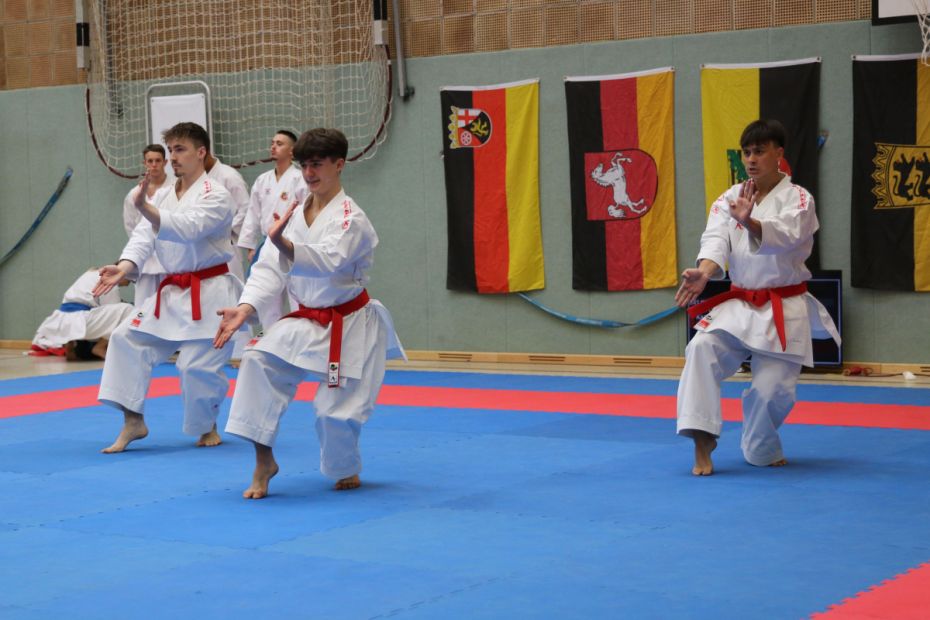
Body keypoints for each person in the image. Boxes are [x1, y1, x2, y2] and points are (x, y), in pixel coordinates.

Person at [214, 128, 405, 499]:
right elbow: (270, 267)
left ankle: (344, 467)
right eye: (304, 166)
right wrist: (245, 307)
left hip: (349, 325)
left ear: (339, 164)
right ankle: (263, 460)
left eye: (317, 165)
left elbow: (328, 261)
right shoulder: (295, 211)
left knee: (335, 415)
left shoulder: (353, 219)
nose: (309, 173)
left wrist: (284, 243)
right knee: (256, 359)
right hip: (307, 319)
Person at [674, 119, 840, 476]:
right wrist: (704, 271)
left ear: (778, 154)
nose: (751, 159)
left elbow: (789, 236)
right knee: (701, 348)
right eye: (747, 151)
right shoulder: (729, 199)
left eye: (760, 151)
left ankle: (760, 444)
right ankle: (702, 437)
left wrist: (750, 223)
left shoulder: (799, 198)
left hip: (784, 304)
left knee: (772, 391)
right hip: (741, 304)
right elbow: (715, 240)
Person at [95, 122, 243, 454]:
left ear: (201, 152)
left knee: (195, 366)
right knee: (124, 339)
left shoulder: (217, 195)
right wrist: (125, 267)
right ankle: (133, 419)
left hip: (209, 294)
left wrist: (147, 209)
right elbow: (144, 237)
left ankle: (207, 425)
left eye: (180, 150)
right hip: (171, 292)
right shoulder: (163, 194)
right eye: (170, 150)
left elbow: (189, 228)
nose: (172, 158)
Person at [236, 130, 306, 327]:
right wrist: (250, 246)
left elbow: (307, 211)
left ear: (292, 151)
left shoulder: (299, 178)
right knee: (268, 300)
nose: (273, 146)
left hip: (292, 243)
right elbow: (253, 213)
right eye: (272, 142)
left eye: (280, 143)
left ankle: (302, 338)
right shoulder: (262, 180)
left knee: (297, 296)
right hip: (268, 244)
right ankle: (271, 341)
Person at [30, 267, 134, 359]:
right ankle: (100, 347)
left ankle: (71, 346)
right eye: (130, 280)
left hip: (62, 320)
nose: (128, 284)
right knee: (129, 310)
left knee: (116, 312)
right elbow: (113, 310)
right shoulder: (110, 281)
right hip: (81, 320)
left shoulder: (92, 272)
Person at [123, 144, 173, 306]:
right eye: (150, 161)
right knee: (143, 307)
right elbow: (131, 225)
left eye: (158, 160)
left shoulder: (176, 188)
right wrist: (143, 248)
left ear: (165, 162)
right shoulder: (134, 194)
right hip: (146, 259)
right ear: (144, 163)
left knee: (171, 305)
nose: (154, 165)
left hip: (170, 258)